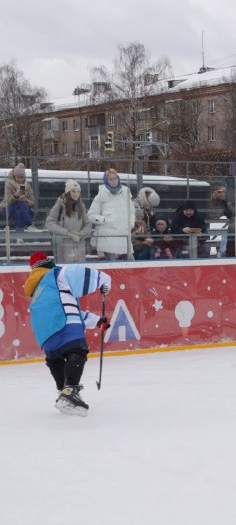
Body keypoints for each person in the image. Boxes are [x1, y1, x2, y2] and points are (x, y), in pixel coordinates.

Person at [23, 252, 112, 416]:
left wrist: (97, 321)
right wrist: (104, 280)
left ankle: (63, 391)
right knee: (77, 351)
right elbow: (79, 274)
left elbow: (66, 309)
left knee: (55, 360)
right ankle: (69, 393)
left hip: (44, 333)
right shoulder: (56, 275)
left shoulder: (37, 290)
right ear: (49, 264)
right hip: (63, 323)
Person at [87, 168, 136, 260]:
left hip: (124, 234)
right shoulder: (101, 195)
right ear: (107, 181)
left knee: (131, 262)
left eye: (115, 178)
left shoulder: (125, 193)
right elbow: (91, 215)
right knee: (112, 264)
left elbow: (132, 211)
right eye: (111, 179)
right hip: (108, 235)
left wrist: (131, 223)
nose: (114, 181)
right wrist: (104, 220)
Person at [45, 179, 92, 263]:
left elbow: (88, 224)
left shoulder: (81, 206)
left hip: (79, 248)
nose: (76, 194)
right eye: (73, 191)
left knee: (79, 269)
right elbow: (49, 223)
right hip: (63, 247)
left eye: (78, 191)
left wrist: (80, 234)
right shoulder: (60, 205)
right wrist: (67, 233)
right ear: (68, 192)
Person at [0, 163, 43, 233]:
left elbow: (32, 202)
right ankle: (29, 226)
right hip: (8, 209)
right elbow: (7, 201)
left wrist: (25, 200)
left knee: (20, 211)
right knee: (20, 204)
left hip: (22, 210)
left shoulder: (27, 186)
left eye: (22, 177)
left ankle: (19, 236)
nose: (20, 179)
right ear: (14, 176)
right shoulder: (9, 185)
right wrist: (15, 196)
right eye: (18, 177)